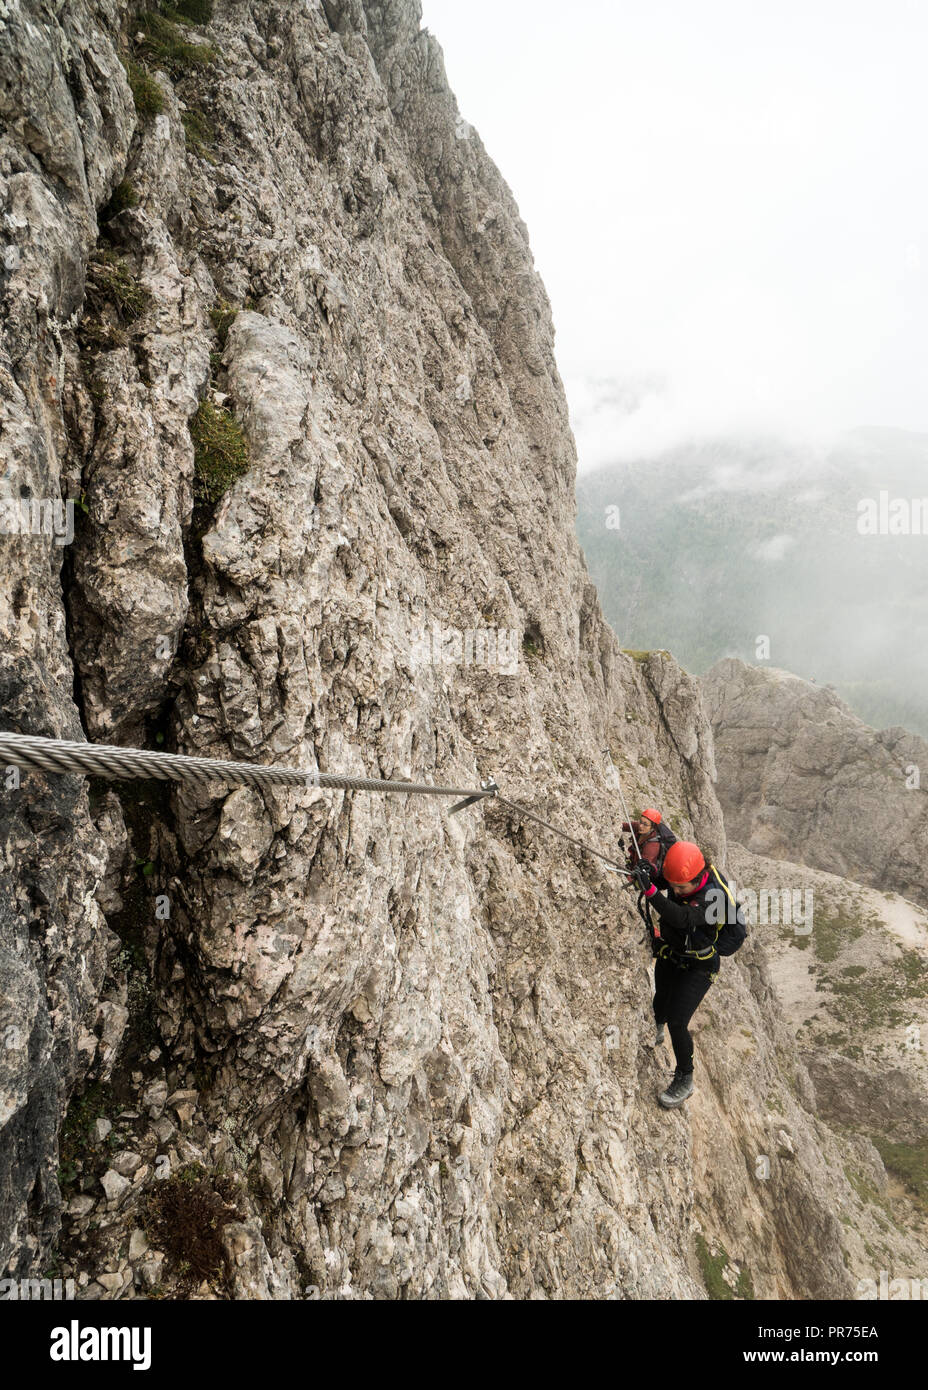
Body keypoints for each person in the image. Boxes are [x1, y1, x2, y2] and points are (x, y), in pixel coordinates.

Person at [631, 841, 743, 1109]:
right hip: (674, 951)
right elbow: (668, 883)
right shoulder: (687, 874)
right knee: (660, 1002)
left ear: (698, 878)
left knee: (678, 1022)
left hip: (701, 966)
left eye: (682, 888)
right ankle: (654, 1031)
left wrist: (650, 890)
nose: (677, 892)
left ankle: (685, 1078)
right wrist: (648, 872)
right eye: (675, 886)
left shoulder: (715, 898)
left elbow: (683, 917)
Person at [621, 808, 676, 890]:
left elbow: (642, 869)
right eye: (640, 822)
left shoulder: (652, 846)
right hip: (633, 864)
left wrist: (628, 878)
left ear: (653, 827)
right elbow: (626, 826)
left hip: (642, 876)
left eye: (645, 824)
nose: (641, 826)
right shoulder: (642, 828)